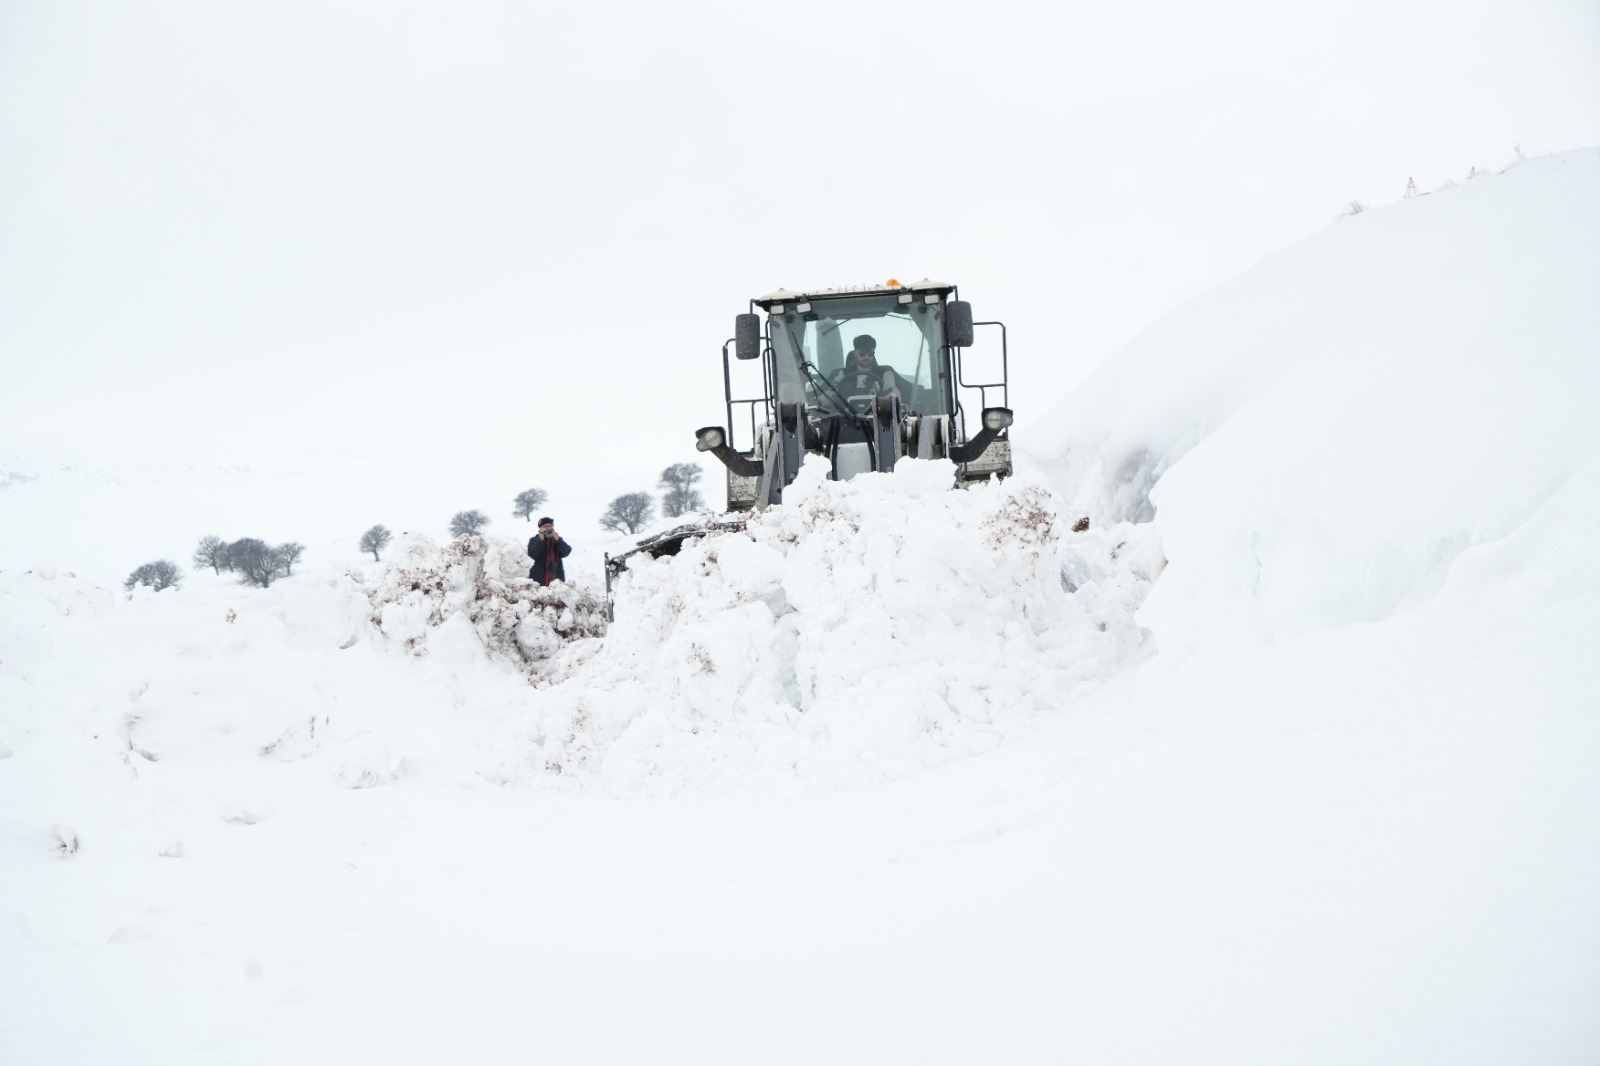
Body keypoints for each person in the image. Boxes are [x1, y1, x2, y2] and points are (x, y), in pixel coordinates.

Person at [829, 334, 914, 401]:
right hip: (847, 418)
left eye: (870, 353)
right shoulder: (844, 374)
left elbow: (893, 394)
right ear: (855, 354)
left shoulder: (885, 374)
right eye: (862, 352)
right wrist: (818, 402)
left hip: (878, 418)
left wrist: (883, 398)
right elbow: (831, 393)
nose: (866, 356)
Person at [527, 517, 572, 586]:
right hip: (539, 580)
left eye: (550, 526)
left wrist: (558, 540)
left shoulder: (557, 540)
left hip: (556, 579)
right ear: (540, 529)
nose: (548, 528)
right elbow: (534, 555)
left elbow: (566, 552)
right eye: (545, 526)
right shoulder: (534, 540)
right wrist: (540, 541)